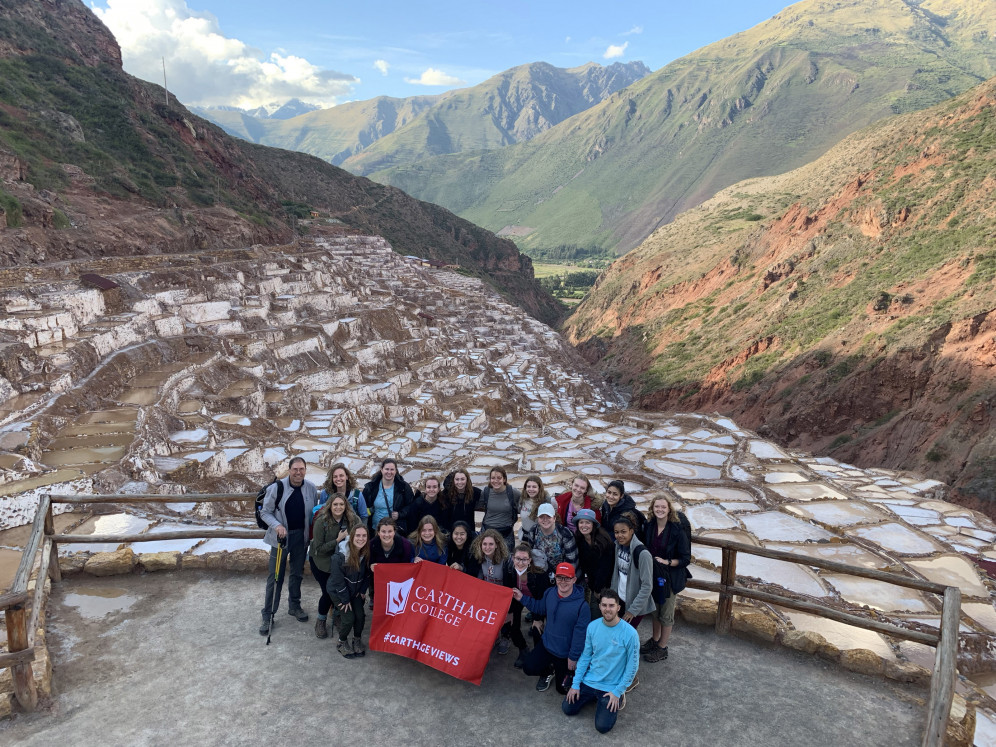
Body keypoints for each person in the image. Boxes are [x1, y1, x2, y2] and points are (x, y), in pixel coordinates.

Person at [562, 589, 639, 734]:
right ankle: (593, 697)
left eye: (611, 605)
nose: (607, 609)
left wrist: (617, 691)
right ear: (599, 606)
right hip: (590, 680)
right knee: (568, 708)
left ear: (618, 608)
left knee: (602, 727)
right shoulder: (592, 626)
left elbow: (632, 666)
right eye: (604, 605)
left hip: (611, 687)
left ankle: (616, 697)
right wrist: (576, 684)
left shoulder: (630, 633)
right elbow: (585, 657)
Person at [258, 456, 318, 634]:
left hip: (301, 537)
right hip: (280, 539)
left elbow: (313, 512)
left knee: (297, 573)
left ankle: (294, 605)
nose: (298, 472)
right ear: (289, 470)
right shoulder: (277, 488)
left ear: (305, 470)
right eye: (295, 469)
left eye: (301, 469)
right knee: (275, 576)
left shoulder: (311, 488)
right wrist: (277, 526)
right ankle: (268, 614)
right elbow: (265, 512)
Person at [513, 562, 590, 694]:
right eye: (560, 577)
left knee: (562, 690)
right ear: (555, 578)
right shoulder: (550, 593)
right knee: (528, 668)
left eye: (567, 578)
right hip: (548, 645)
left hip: (565, 653)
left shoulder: (582, 606)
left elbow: (580, 635)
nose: (563, 582)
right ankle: (549, 670)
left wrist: (573, 657)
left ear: (574, 580)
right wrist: (522, 598)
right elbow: (539, 607)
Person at [641, 494, 691, 663]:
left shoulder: (677, 530)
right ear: (652, 509)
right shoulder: (649, 526)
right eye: (657, 507)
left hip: (669, 577)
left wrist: (667, 561)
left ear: (669, 509)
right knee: (655, 610)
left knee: (666, 613)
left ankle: (662, 648)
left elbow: (685, 558)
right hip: (653, 575)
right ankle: (655, 640)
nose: (660, 510)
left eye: (663, 507)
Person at [610, 516, 654, 694]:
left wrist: (632, 611)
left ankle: (631, 678)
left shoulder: (642, 554)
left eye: (623, 532)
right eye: (616, 532)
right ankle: (620, 673)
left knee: (626, 642)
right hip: (620, 600)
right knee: (619, 640)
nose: (619, 535)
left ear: (632, 531)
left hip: (634, 606)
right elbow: (616, 573)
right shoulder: (618, 547)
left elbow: (647, 586)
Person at [309, 494, 361, 638]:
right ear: (330, 506)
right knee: (328, 592)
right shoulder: (322, 522)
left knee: (341, 589)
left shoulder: (353, 520)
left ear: (346, 506)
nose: (338, 507)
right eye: (335, 504)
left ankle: (337, 615)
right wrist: (337, 540)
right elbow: (318, 549)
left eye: (341, 504)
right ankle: (321, 619)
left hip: (342, 562)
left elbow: (361, 536)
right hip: (322, 562)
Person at [504, 543, 552, 668]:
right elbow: (508, 590)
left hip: (536, 602)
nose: (520, 562)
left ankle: (537, 654)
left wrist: (537, 618)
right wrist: (509, 612)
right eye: (518, 559)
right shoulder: (509, 570)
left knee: (537, 629)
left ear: (530, 560)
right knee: (512, 625)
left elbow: (542, 601)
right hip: (517, 599)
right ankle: (523, 649)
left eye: (524, 559)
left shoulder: (539, 575)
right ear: (513, 558)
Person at [327, 525, 371, 659]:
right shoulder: (340, 556)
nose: (361, 539)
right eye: (358, 535)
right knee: (348, 618)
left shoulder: (366, 553)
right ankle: (342, 641)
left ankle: (357, 639)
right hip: (339, 592)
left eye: (364, 536)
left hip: (356, 590)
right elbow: (338, 581)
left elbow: (368, 574)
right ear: (352, 537)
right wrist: (345, 599)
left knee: (360, 616)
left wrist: (363, 590)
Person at [573, 508, 615, 620]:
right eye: (581, 522)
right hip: (592, 584)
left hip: (606, 585)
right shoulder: (580, 540)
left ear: (594, 525)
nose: (584, 525)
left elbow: (605, 569)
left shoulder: (602, 541)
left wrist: (597, 590)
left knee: (600, 614)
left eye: (588, 522)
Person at [523, 504, 579, 582]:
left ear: (554, 518)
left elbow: (572, 563)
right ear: (538, 519)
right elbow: (529, 554)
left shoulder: (565, 534)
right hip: (539, 573)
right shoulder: (533, 531)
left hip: (561, 575)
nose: (545, 520)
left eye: (548, 517)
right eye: (541, 517)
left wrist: (561, 579)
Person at [363, 458, 416, 535]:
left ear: (395, 471)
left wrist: (400, 514)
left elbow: (411, 506)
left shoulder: (403, 487)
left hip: (394, 530)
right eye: (387, 469)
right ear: (382, 470)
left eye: (392, 469)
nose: (389, 472)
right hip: (375, 529)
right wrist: (370, 511)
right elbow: (363, 506)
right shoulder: (371, 487)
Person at [478, 467, 521, 551]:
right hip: (487, 531)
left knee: (506, 560)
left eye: (499, 478)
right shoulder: (486, 492)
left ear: (504, 479)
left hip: (506, 533)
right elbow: (476, 503)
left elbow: (526, 500)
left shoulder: (512, 492)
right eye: (493, 478)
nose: (496, 481)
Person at [518, 475, 555, 540]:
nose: (531, 489)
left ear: (539, 488)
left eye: (534, 487)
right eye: (528, 486)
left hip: (540, 537)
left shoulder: (546, 501)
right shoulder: (523, 499)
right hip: (525, 536)